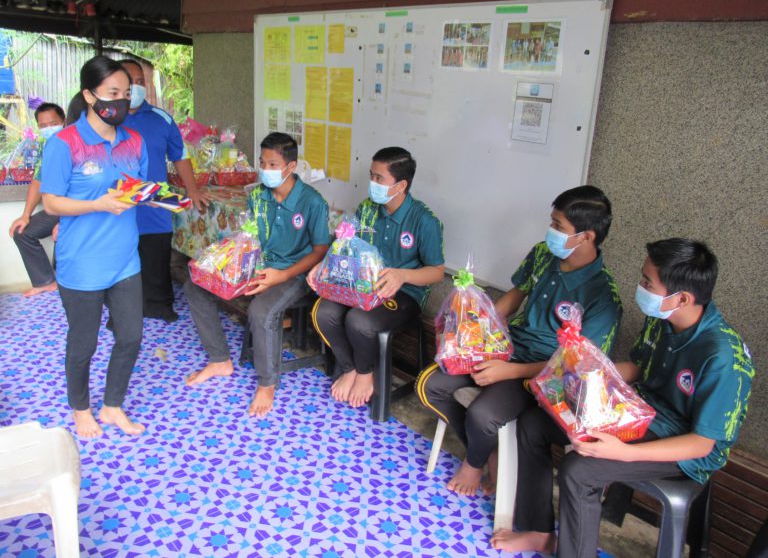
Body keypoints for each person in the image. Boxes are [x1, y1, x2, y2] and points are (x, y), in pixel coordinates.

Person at [492, 238, 754, 557]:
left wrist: (622, 453)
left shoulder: (724, 357)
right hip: (637, 411)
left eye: (647, 282)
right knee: (534, 422)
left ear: (682, 297)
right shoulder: (662, 319)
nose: (639, 287)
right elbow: (640, 367)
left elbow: (702, 444)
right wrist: (575, 372)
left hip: (684, 444)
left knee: (580, 469)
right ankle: (539, 531)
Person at [416, 185, 622, 496]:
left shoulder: (604, 296)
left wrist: (509, 372)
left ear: (587, 236)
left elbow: (577, 365)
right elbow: (514, 297)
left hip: (545, 373)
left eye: (558, 226)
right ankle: (488, 449)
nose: (550, 231)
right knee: (432, 385)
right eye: (551, 222)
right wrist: (479, 326)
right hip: (508, 347)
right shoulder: (543, 253)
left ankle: (473, 464)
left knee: (483, 415)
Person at [183, 132, 329, 417]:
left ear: (291, 167)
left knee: (261, 311)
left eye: (273, 164)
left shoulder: (312, 202)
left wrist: (283, 275)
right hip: (257, 265)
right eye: (262, 162)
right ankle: (219, 359)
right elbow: (249, 235)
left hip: (295, 275)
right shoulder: (258, 196)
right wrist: (231, 262)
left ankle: (267, 383)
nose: (265, 169)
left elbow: (320, 250)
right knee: (196, 286)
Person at [40, 56, 148, 438]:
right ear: (89, 95)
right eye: (112, 93)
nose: (120, 100)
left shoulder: (134, 141)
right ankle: (80, 409)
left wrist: (157, 197)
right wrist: (99, 204)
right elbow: (51, 203)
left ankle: (112, 405)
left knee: (131, 335)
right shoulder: (64, 143)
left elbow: (137, 188)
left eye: (126, 93)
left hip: (125, 260)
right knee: (83, 343)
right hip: (81, 262)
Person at [309, 147, 445, 408]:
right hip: (361, 285)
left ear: (401, 185)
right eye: (371, 176)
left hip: (404, 293)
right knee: (323, 311)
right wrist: (323, 266)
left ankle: (365, 373)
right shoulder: (367, 209)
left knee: (359, 320)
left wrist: (402, 275)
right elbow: (346, 243)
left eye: (379, 179)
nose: (372, 183)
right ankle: (350, 368)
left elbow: (437, 271)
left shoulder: (424, 220)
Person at [120, 58, 208, 322]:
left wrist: (192, 189)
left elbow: (179, 156)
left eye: (140, 82)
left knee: (156, 258)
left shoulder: (161, 119)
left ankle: (159, 306)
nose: (136, 87)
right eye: (129, 82)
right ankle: (122, 311)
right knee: (122, 261)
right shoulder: (108, 119)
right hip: (118, 204)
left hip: (155, 202)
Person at [9, 102, 66, 296]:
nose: (48, 128)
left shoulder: (73, 144)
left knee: (67, 233)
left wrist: (68, 221)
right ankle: (45, 281)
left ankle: (66, 280)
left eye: (53, 123)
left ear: (64, 121)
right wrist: (25, 215)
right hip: (55, 208)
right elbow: (38, 180)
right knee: (22, 231)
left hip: (77, 208)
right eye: (42, 125)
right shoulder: (47, 145)